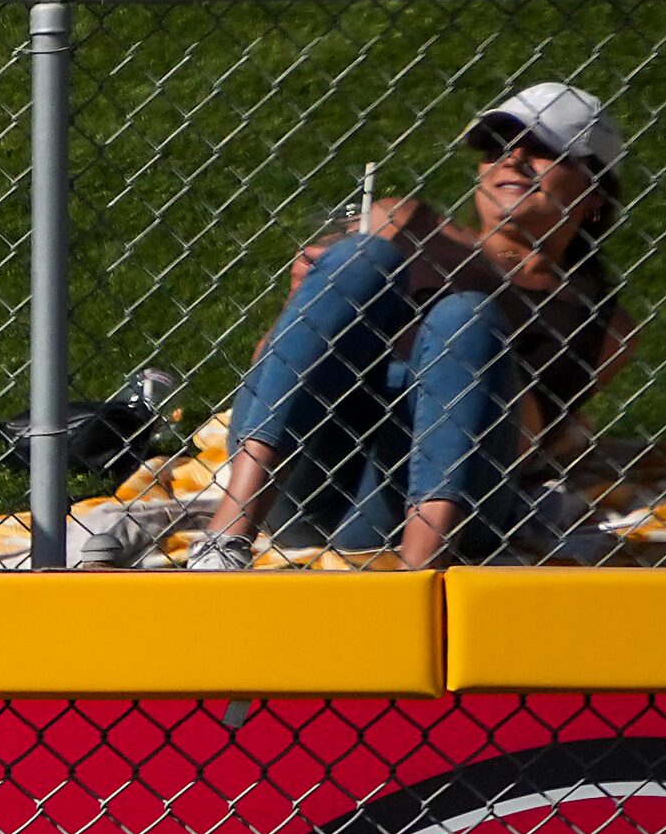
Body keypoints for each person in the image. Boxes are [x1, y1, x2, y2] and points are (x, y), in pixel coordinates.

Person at [186, 82, 636, 570]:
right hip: (309, 469)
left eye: (544, 150)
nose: (513, 159)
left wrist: (462, 341)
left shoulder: (598, 318)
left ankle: (417, 573)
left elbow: (523, 441)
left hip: (419, 492)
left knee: (465, 316)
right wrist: (305, 298)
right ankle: (227, 535)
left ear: (595, 190)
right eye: (497, 146)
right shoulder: (398, 220)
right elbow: (266, 366)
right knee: (362, 256)